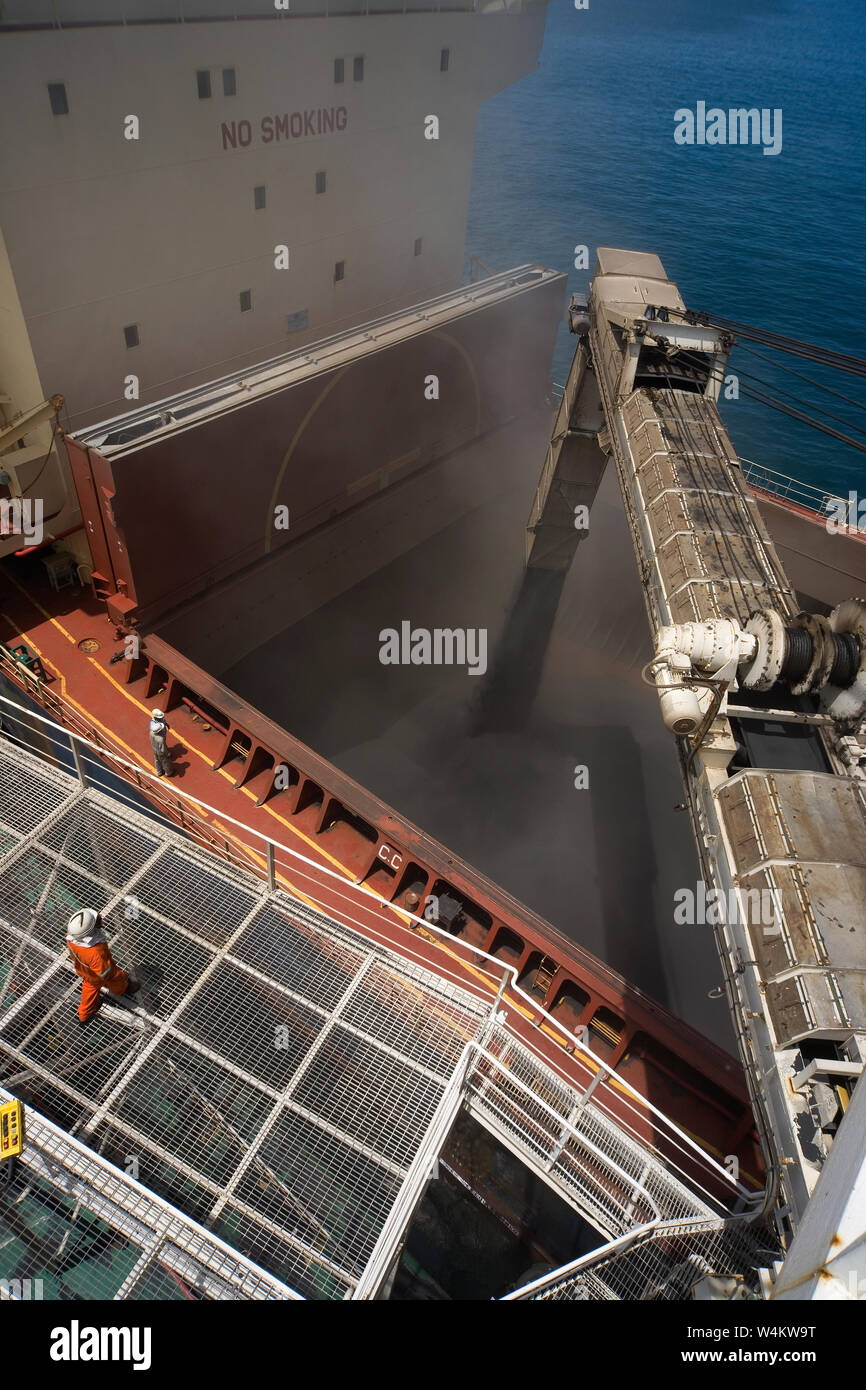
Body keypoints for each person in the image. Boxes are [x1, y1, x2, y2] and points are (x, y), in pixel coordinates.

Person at [66, 909, 139, 1024]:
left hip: (84, 970)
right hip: (98, 976)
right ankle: (124, 989)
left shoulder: (72, 937)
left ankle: (84, 1016)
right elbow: (107, 974)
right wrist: (122, 975)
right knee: (115, 982)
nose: (99, 917)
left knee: (89, 988)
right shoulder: (95, 953)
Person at [149, 708, 172, 777]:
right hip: (160, 751)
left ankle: (159, 772)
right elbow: (162, 748)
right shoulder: (160, 739)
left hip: (155, 748)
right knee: (165, 761)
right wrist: (165, 754)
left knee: (156, 760)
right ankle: (168, 772)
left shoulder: (151, 733)